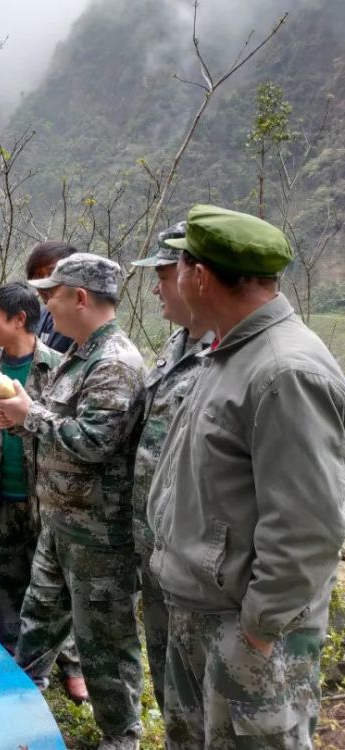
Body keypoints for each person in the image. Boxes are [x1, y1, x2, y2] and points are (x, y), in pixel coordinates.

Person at [148, 205, 345, 748]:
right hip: (203, 612)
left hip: (248, 629)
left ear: (201, 276)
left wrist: (258, 631)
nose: (172, 279)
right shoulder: (227, 351)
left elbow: (309, 526)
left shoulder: (285, 370)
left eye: (177, 266)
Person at [0, 254, 146, 748]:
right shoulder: (82, 354)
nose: (44, 306)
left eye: (50, 295)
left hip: (98, 533)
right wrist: (22, 416)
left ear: (80, 297)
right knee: (41, 617)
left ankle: (121, 736)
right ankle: (23, 697)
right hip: (62, 522)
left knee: (103, 639)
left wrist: (27, 415)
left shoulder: (114, 362)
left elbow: (95, 440)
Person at [0, 282, 88, 703]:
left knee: (55, 586)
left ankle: (71, 662)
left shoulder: (59, 368)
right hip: (0, 497)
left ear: (20, 319)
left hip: (48, 499)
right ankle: (14, 663)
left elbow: (69, 433)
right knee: (7, 584)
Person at [127, 222, 214, 712]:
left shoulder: (238, 357)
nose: (157, 286)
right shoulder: (176, 346)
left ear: (196, 276)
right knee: (170, 686)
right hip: (157, 550)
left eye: (164, 274)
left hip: (204, 569)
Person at [26, 241, 77, 354]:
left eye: (53, 272)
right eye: (38, 275)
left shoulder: (80, 322)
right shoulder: (37, 315)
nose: (45, 281)